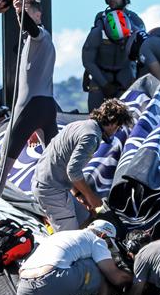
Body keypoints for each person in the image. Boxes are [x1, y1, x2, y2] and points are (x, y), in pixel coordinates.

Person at [0, 0, 59, 221]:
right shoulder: (40, 42)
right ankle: (66, 209)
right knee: (56, 165)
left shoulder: (40, 36)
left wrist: (18, 11)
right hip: (46, 107)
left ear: (37, 15)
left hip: (30, 108)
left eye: (27, 12)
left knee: (3, 165)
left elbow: (29, 27)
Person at [17, 219, 133, 295]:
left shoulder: (60, 235)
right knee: (102, 270)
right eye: (109, 244)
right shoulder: (96, 240)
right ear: (103, 235)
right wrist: (134, 278)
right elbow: (115, 278)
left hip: (24, 285)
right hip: (53, 278)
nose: (108, 248)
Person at [32, 99, 133, 232]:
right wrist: (92, 198)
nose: (117, 131)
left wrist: (80, 195)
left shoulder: (78, 125)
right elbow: (73, 172)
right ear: (113, 123)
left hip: (49, 183)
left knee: (87, 218)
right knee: (70, 238)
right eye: (119, 127)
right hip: (51, 190)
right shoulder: (91, 136)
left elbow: (65, 164)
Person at [81, 0, 146, 111]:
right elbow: (89, 55)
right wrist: (89, 74)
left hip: (125, 74)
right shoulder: (99, 21)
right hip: (101, 75)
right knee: (94, 116)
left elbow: (143, 54)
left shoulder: (136, 21)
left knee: (127, 118)